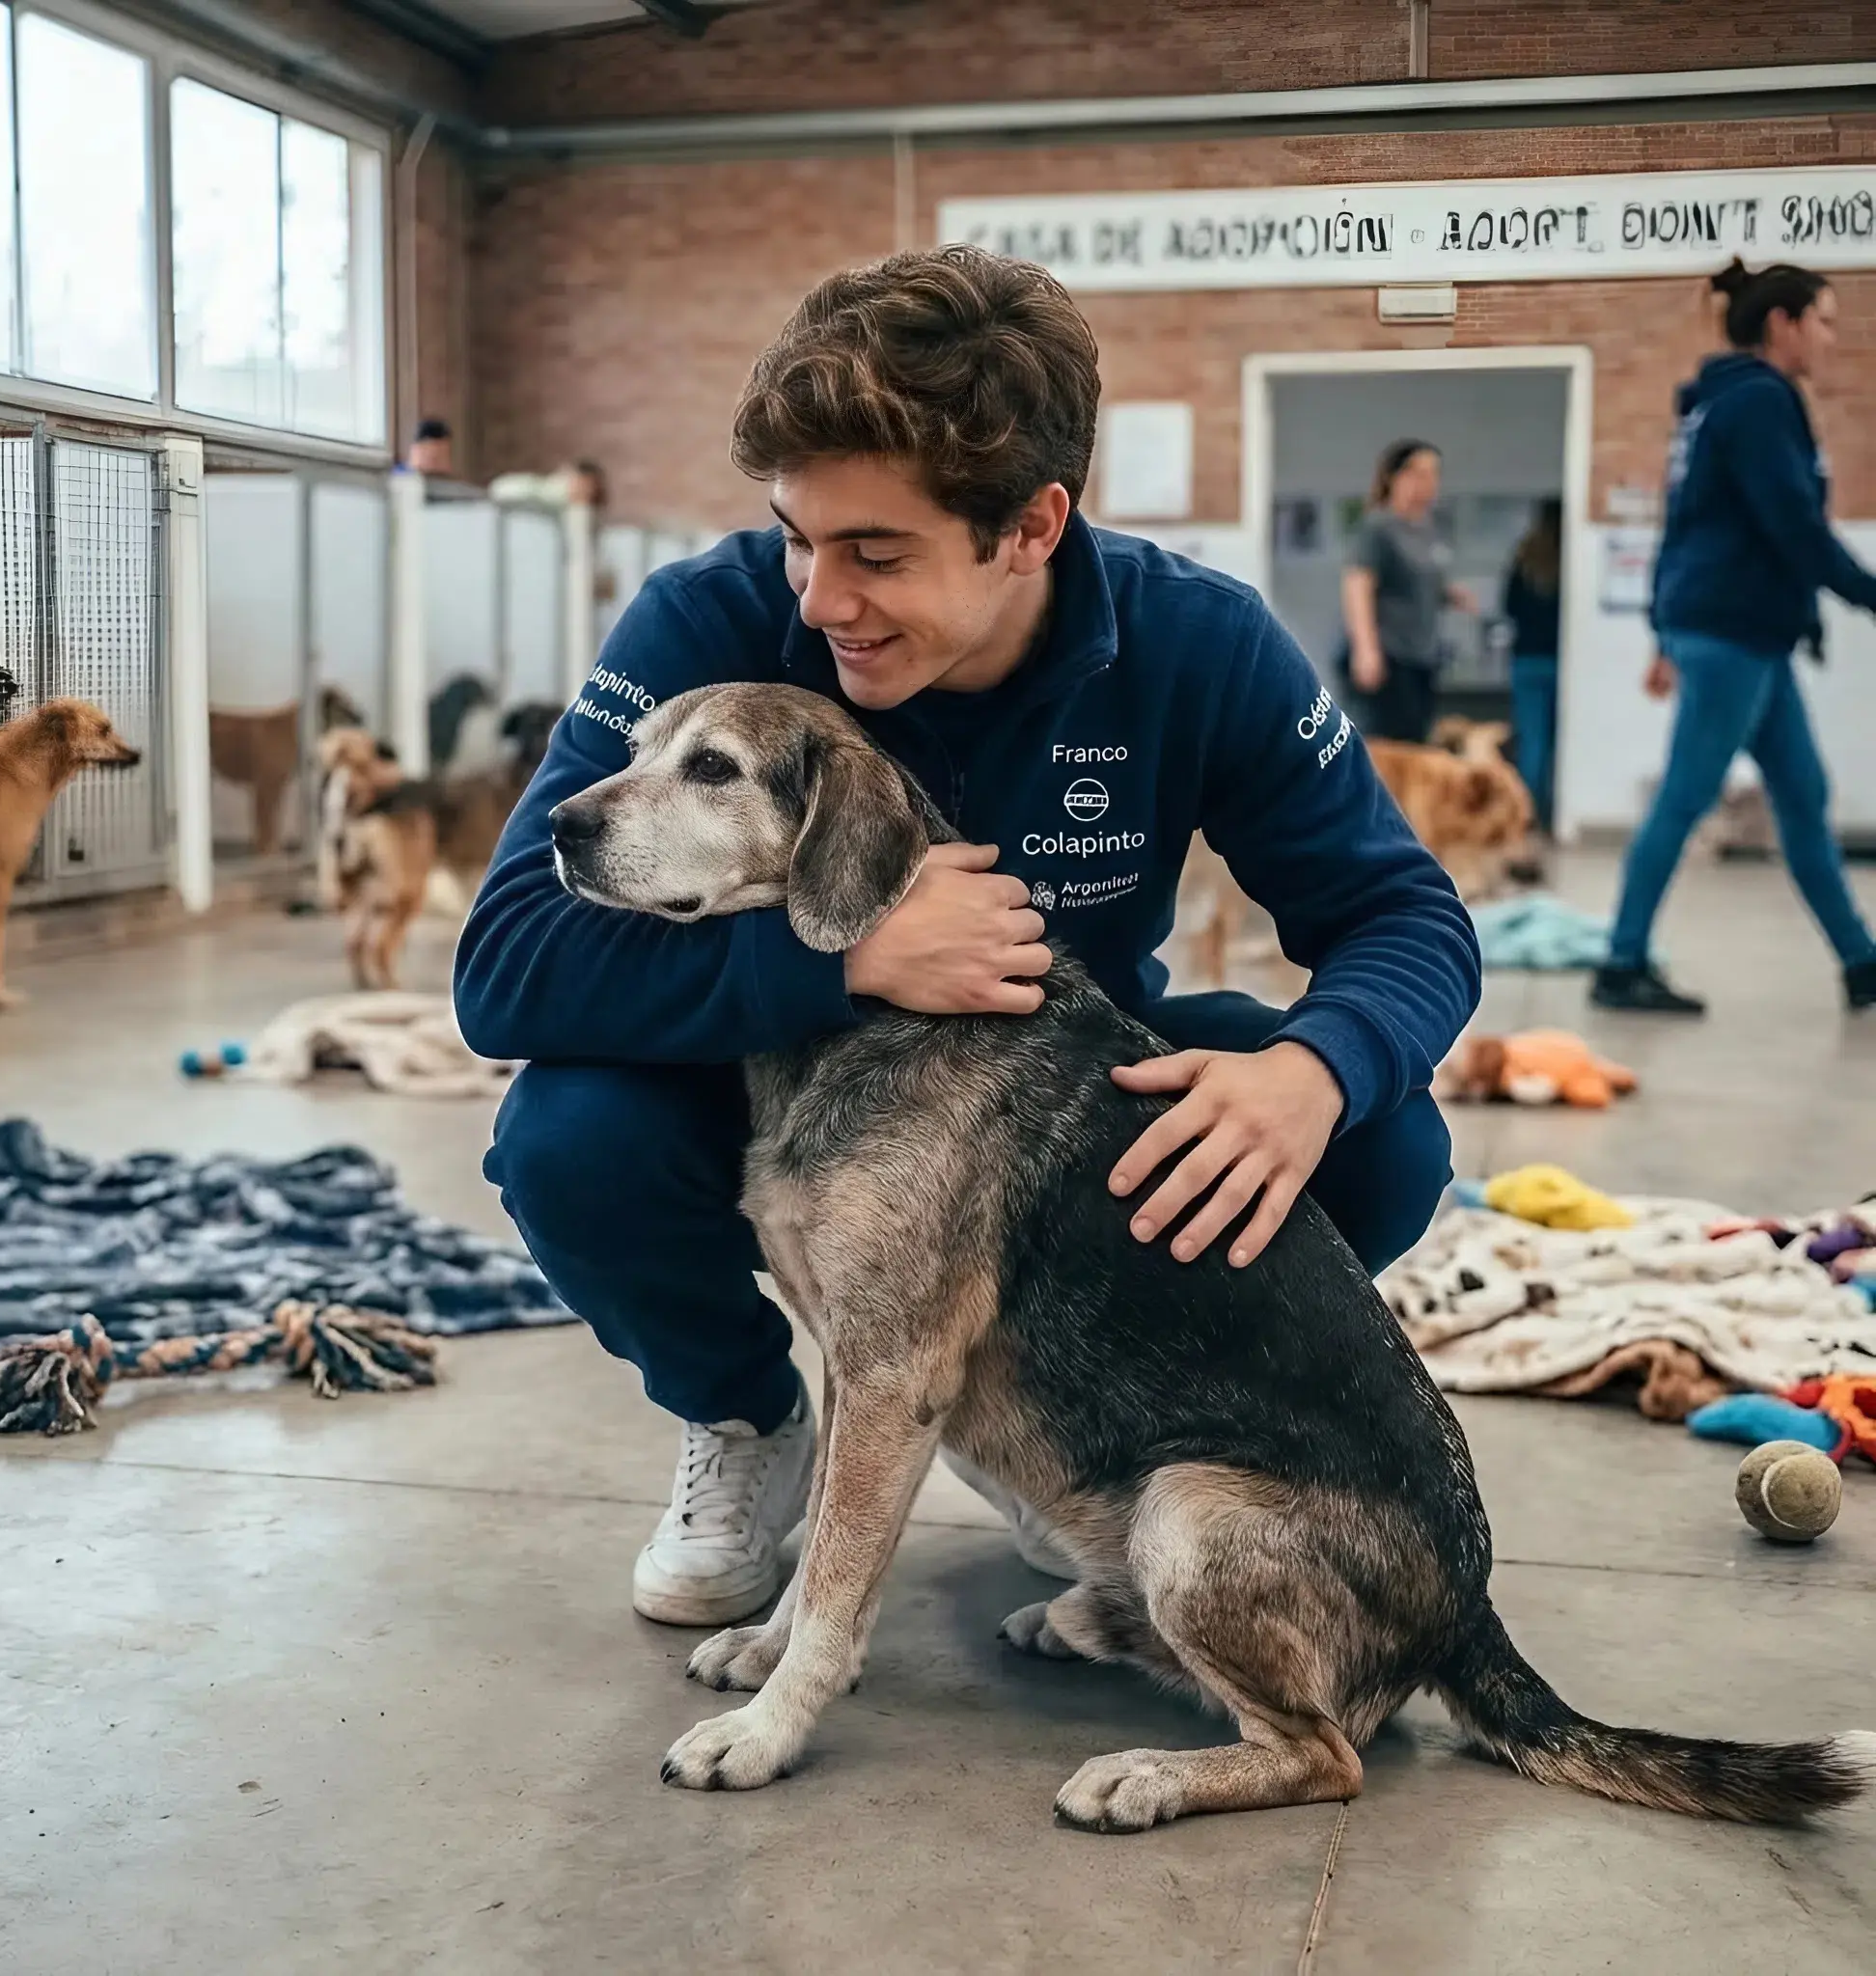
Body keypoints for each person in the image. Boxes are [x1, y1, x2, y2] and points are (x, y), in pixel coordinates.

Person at [455, 247, 1479, 1628]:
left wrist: (1316, 1071)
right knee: (566, 1138)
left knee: (1378, 1133)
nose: (820, 600)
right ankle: (751, 1422)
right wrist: (841, 960)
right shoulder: (707, 624)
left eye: (877, 553)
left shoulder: (1197, 645)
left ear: (1032, 526)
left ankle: (1064, 1422)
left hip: (1031, 1125)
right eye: (794, 536)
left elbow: (1404, 915)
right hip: (763, 1092)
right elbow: (505, 961)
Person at [1594, 259, 1876, 1016]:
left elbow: (1684, 528)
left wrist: (1663, 629)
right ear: (1782, 324)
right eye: (1822, 320)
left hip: (1742, 631)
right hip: (1733, 631)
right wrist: (1867, 594)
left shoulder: (1719, 406)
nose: (1830, 338)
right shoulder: (1758, 403)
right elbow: (1792, 524)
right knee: (1687, 795)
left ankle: (1861, 961)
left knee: (1803, 796)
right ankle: (1620, 963)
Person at [1339, 439, 1478, 743]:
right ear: (1394, 477)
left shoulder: (1428, 530)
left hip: (1423, 655)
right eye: (1418, 473)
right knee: (1390, 748)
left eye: (1433, 474)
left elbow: (1423, 580)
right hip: (1391, 656)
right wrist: (1366, 649)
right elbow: (1357, 585)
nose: (1427, 483)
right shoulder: (1378, 528)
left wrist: (1452, 593)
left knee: (1417, 740)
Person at [1503, 498, 1562, 829]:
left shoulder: (1525, 559)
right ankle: (1549, 811)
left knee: (1531, 741)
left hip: (1527, 660)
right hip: (1561, 662)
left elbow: (1509, 607)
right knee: (1556, 742)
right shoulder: (1570, 562)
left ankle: (1524, 815)